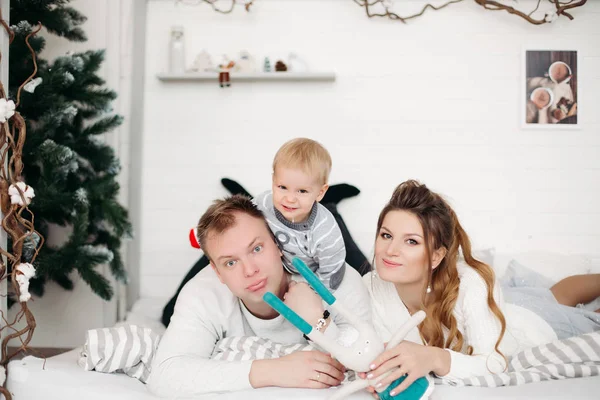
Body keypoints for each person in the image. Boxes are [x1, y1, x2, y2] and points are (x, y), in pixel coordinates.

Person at [360, 180, 600, 397]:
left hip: (533, 325)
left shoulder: (472, 282)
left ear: (436, 256)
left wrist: (434, 357)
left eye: (411, 241)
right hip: (502, 306)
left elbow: (494, 364)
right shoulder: (368, 286)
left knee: (568, 305)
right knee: (553, 294)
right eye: (386, 235)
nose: (390, 250)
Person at [147, 194, 371, 397]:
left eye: (256, 249)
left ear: (277, 244)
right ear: (217, 272)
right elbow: (164, 377)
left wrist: (318, 321)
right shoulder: (202, 291)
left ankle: (328, 203)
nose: (250, 270)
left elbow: (367, 360)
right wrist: (273, 370)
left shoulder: (336, 278)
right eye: (231, 262)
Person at [254, 138, 347, 290]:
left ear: (320, 192)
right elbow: (240, 216)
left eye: (302, 191)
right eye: (282, 187)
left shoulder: (325, 233)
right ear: (273, 181)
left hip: (312, 271)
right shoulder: (265, 202)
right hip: (283, 265)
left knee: (354, 256)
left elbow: (332, 272)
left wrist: (313, 293)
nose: (289, 199)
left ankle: (332, 200)